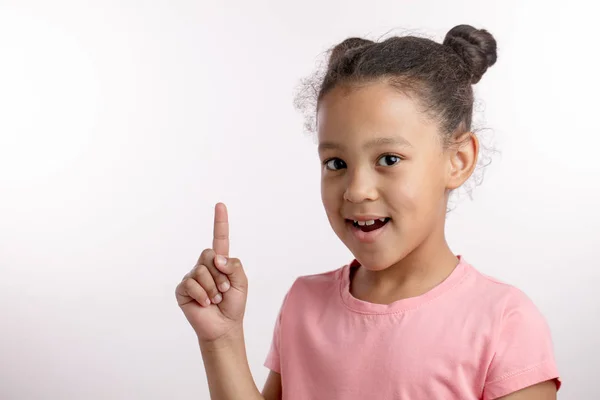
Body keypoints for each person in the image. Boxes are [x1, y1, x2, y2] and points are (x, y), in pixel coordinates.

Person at [175, 24, 561, 400]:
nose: (357, 190)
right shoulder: (303, 304)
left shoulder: (504, 323)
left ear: (458, 160)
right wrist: (221, 339)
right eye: (336, 163)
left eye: (389, 159)